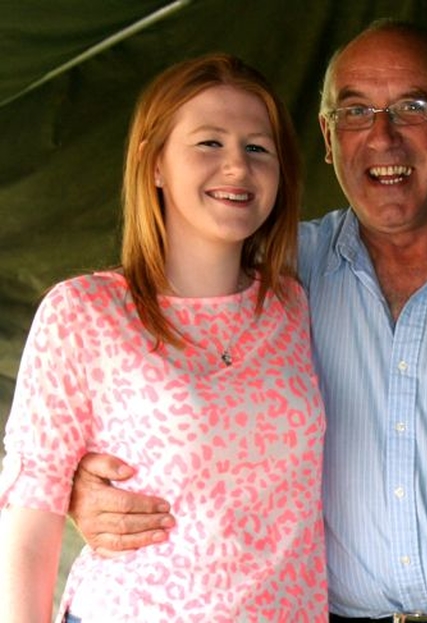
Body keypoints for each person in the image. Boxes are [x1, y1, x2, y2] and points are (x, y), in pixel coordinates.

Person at [68, 19, 427, 623]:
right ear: (327, 135)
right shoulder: (275, 277)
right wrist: (82, 486)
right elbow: (149, 393)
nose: (383, 137)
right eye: (356, 112)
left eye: (413, 107)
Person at [0, 52, 328, 622]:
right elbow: (28, 522)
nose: (237, 167)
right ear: (154, 164)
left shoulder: (292, 307)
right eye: (209, 143)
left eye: (258, 147)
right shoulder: (85, 312)